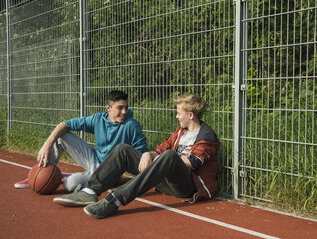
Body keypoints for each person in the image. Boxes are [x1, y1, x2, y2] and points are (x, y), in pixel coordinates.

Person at [53, 93, 220, 219]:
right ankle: (90, 190)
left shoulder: (206, 136)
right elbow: (162, 149)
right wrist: (148, 154)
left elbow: (193, 163)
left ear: (190, 115)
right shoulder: (180, 132)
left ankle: (116, 200)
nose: (176, 117)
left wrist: (162, 158)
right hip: (165, 179)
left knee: (169, 156)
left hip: (187, 186)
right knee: (123, 149)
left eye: (179, 113)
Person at [14, 90, 149, 192]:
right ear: (108, 108)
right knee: (61, 135)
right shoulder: (98, 119)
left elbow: (141, 155)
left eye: (126, 107)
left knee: (69, 185)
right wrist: (47, 144)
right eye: (120, 108)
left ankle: (65, 177)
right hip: (93, 159)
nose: (124, 111)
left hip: (109, 168)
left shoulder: (131, 125)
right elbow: (65, 124)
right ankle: (41, 172)